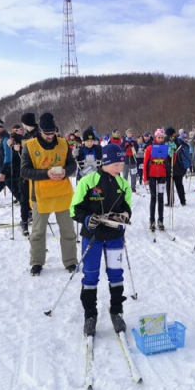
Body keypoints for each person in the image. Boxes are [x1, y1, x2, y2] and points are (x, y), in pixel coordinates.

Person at [70, 144, 132, 336]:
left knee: (116, 274)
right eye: (115, 164)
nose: (119, 168)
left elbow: (127, 208)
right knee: (90, 276)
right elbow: (74, 209)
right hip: (93, 237)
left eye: (121, 164)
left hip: (114, 237)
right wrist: (87, 219)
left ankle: (117, 311)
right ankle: (90, 315)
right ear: (105, 162)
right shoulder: (88, 181)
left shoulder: (123, 184)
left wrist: (124, 216)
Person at [21, 112, 78, 276]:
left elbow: (72, 165)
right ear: (40, 131)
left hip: (63, 194)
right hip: (40, 195)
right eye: (46, 133)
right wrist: (46, 174)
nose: (49, 136)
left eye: (52, 133)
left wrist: (65, 172)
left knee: (68, 231)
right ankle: (37, 262)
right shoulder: (30, 146)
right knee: (38, 232)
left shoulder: (63, 143)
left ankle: (70, 262)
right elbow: (24, 171)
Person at [143, 129, 169, 231]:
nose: (161, 139)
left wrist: (172, 154)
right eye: (159, 137)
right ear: (155, 137)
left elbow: (169, 161)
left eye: (162, 137)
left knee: (161, 198)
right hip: (152, 175)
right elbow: (145, 163)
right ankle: (152, 220)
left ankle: (160, 220)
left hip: (162, 174)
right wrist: (145, 178)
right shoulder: (150, 148)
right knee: (153, 197)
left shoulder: (165, 148)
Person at [164, 126, 187, 207]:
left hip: (169, 165)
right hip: (179, 166)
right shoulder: (179, 140)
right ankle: (183, 200)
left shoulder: (166, 140)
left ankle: (170, 201)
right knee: (179, 184)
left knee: (169, 185)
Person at [121, 128, 139, 193]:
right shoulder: (124, 141)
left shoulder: (134, 142)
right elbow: (121, 150)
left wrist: (132, 147)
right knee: (125, 174)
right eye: (128, 133)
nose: (129, 134)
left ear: (132, 134)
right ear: (126, 134)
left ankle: (133, 187)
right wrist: (125, 148)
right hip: (125, 160)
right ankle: (124, 186)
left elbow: (136, 151)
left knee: (133, 174)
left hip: (132, 160)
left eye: (130, 133)